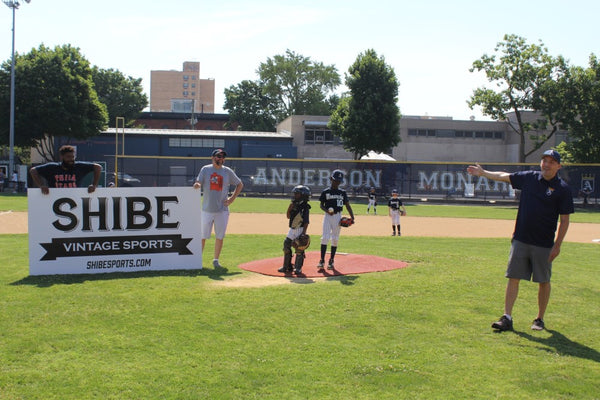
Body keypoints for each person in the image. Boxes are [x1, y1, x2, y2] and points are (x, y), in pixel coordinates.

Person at [467, 149, 574, 332]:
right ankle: (506, 318)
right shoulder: (529, 178)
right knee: (513, 278)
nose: (546, 164)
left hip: (544, 244)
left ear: (558, 166)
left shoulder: (562, 189)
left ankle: (539, 319)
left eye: (551, 161)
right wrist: (484, 173)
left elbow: (564, 220)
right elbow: (504, 176)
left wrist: (557, 246)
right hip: (521, 239)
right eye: (544, 160)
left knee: (543, 281)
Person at [193, 148, 243, 269]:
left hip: (222, 210)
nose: (220, 159)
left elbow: (239, 184)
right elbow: (198, 181)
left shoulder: (227, 171)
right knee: (202, 236)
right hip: (206, 209)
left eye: (222, 157)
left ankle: (216, 260)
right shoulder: (205, 169)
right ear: (213, 158)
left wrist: (232, 199)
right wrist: (197, 185)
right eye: (218, 156)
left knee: (219, 236)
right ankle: (197, 260)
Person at [317, 169, 355, 272]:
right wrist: (327, 211)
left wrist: (352, 217)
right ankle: (322, 260)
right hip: (328, 217)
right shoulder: (326, 192)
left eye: (339, 181)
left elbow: (347, 205)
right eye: (335, 180)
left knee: (335, 239)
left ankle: (331, 260)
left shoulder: (342, 192)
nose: (337, 182)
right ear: (331, 179)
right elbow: (321, 205)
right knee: (325, 237)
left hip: (338, 217)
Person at [29, 145, 102, 195]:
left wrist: (94, 184)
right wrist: (41, 185)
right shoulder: (52, 167)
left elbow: (98, 167)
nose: (71, 159)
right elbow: (33, 171)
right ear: (62, 157)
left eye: (73, 157)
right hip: (54, 198)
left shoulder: (79, 166)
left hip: (75, 198)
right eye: (68, 157)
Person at [278, 185, 311, 275]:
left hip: (300, 229)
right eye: (295, 193)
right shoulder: (293, 204)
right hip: (292, 229)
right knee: (286, 245)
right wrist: (289, 208)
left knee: (299, 248)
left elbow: (306, 222)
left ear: (303, 195)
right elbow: (288, 216)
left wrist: (303, 233)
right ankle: (287, 266)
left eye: (297, 194)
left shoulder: (305, 207)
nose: (295, 195)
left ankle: (298, 268)